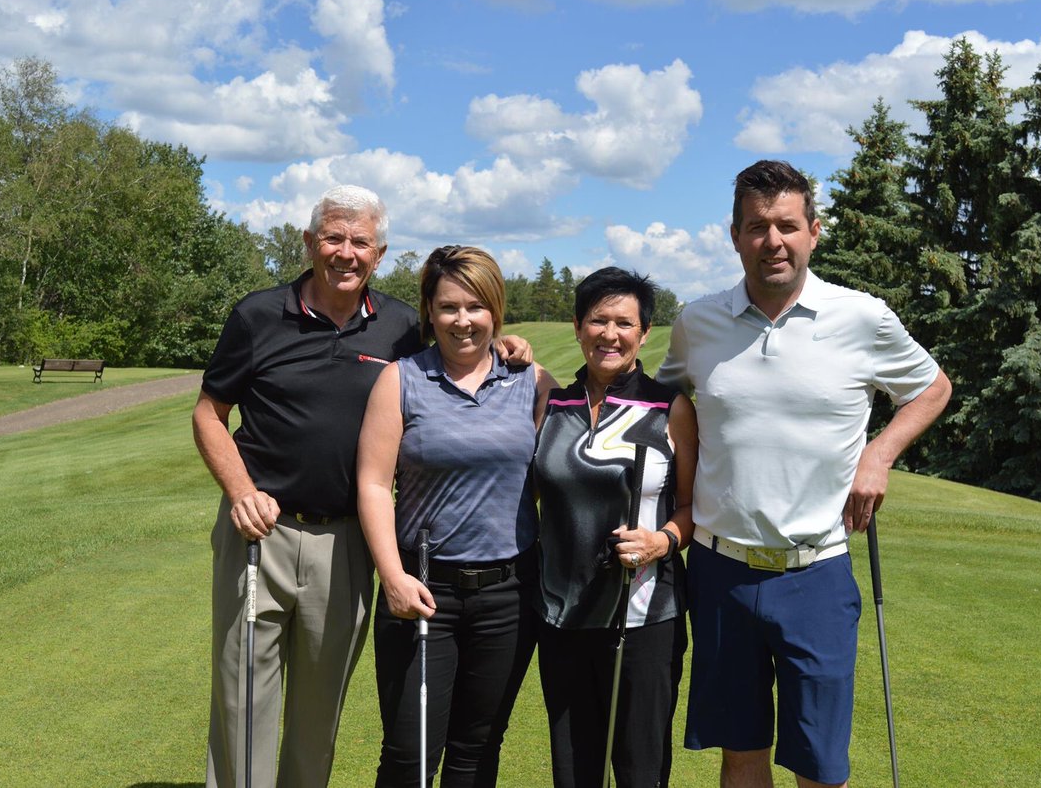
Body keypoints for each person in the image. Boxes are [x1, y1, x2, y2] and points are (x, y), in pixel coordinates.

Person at [193, 188, 531, 788]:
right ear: (309, 243)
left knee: (320, 711)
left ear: (379, 253)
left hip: (347, 543)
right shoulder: (258, 315)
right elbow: (208, 412)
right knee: (246, 699)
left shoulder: (402, 327)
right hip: (260, 531)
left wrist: (506, 346)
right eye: (333, 238)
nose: (345, 253)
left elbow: (456, 361)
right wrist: (241, 489)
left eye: (360, 242)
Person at [658, 160, 952, 788]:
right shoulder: (697, 323)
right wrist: (525, 365)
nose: (774, 242)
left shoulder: (862, 317)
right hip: (720, 570)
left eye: (787, 225)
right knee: (740, 754)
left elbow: (931, 388)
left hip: (816, 572)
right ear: (734, 235)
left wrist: (879, 455)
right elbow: (649, 394)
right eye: (758, 227)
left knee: (820, 766)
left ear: (814, 232)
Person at [356, 245, 557, 788]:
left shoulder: (532, 382)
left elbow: (563, 471)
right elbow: (373, 485)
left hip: (509, 594)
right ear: (429, 310)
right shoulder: (401, 379)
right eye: (448, 307)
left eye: (476, 306)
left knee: (477, 748)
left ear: (495, 309)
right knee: (409, 753)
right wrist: (392, 577)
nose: (462, 320)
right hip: (422, 589)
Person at [533, 267, 698, 788]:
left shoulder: (670, 408)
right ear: (578, 326)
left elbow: (694, 507)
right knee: (574, 770)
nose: (610, 334)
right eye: (597, 320)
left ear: (644, 332)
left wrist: (661, 540)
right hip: (561, 614)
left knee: (639, 769)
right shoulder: (551, 404)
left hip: (646, 615)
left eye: (624, 323)